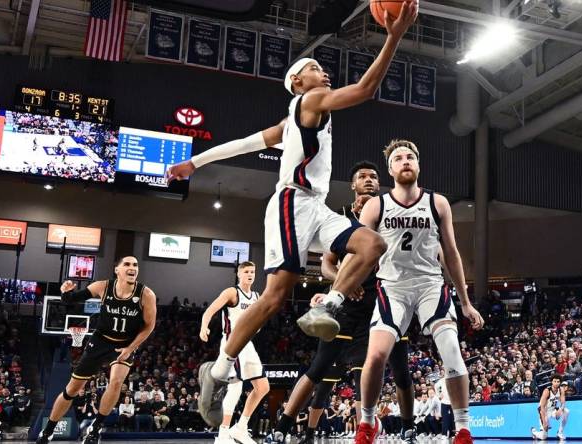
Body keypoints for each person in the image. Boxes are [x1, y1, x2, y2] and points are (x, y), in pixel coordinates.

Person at [166, 0, 419, 397]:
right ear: (298, 83)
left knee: (372, 244)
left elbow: (245, 143)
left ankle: (329, 304)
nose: (325, 72)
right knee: (275, 296)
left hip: (316, 206)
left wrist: (195, 161)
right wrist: (394, 36)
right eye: (316, 69)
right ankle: (217, 370)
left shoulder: (294, 120)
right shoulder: (310, 101)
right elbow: (367, 90)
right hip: (291, 203)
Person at [266, 162, 415, 444]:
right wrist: (345, 283)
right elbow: (326, 266)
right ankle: (282, 428)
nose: (369, 180)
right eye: (362, 176)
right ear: (353, 185)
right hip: (348, 305)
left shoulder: (392, 215)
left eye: (373, 177)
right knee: (318, 367)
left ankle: (408, 430)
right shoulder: (340, 218)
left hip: (386, 300)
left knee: (400, 367)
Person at [354, 139, 484, 444]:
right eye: (398, 158)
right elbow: (356, 255)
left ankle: (463, 429)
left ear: (418, 164)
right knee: (375, 359)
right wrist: (337, 291)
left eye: (410, 156)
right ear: (390, 169)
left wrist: (466, 302)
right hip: (392, 288)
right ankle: (367, 422)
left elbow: (451, 253)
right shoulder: (376, 205)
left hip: (430, 286)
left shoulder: (437, 203)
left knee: (452, 350)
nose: (405, 161)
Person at [36, 256, 157, 444]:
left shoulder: (146, 294)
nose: (132, 267)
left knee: (116, 383)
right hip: (100, 341)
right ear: (117, 270)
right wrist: (65, 290)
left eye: (135, 264)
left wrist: (131, 347)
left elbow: (149, 326)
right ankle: (48, 430)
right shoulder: (103, 286)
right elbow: (70, 300)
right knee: (72, 389)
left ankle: (96, 427)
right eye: (127, 264)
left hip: (125, 344)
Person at [198, 262, 270, 444]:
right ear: (239, 274)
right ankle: (222, 434)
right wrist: (204, 326)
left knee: (263, 387)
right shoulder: (232, 292)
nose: (250, 274)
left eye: (253, 271)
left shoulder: (257, 296)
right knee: (236, 387)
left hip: (248, 345)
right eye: (246, 271)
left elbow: (259, 321)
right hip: (232, 343)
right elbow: (210, 310)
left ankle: (240, 428)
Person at [531, 375, 569, 440]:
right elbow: (541, 408)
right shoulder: (547, 391)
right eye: (555, 381)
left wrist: (560, 409)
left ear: (560, 383)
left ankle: (560, 432)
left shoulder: (561, 390)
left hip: (553, 409)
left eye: (558, 381)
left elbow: (563, 402)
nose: (556, 383)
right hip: (544, 411)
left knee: (566, 411)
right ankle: (534, 431)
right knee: (544, 437)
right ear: (552, 382)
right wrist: (545, 422)